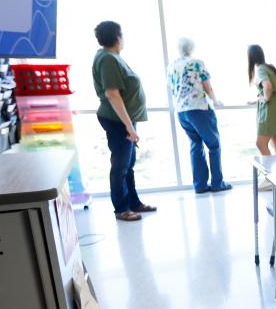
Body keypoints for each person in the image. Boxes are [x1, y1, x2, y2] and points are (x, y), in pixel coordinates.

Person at [92, 20, 156, 221]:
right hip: (118, 121)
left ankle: (133, 202)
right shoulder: (107, 59)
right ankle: (121, 208)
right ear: (118, 36)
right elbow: (112, 94)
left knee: (128, 164)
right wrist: (129, 126)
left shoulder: (112, 57)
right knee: (120, 165)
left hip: (124, 120)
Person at [168, 37, 231, 194]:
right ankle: (217, 183)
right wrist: (215, 101)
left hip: (182, 111)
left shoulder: (171, 66)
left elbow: (172, 88)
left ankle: (200, 185)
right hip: (199, 108)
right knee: (214, 145)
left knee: (195, 145)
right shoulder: (196, 63)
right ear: (192, 48)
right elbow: (206, 85)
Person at [250, 44, 276, 155]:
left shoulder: (260, 69)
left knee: (260, 144)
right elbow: (272, 88)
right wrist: (259, 99)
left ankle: (270, 172)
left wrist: (265, 99)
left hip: (270, 109)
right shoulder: (270, 68)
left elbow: (268, 86)